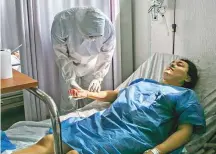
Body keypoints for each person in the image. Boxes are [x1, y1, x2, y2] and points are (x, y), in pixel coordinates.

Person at [13, 59, 206, 154]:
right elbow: (114, 95)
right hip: (104, 122)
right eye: (171, 62)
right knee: (49, 141)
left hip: (132, 133)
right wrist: (86, 93)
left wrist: (157, 151)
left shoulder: (185, 95)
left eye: (179, 64)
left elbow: (185, 130)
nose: (172, 64)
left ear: (187, 78)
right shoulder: (143, 82)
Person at [51, 7, 116, 113]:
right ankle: (66, 124)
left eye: (97, 37)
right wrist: (70, 79)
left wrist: (98, 77)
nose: (93, 40)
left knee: (91, 99)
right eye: (90, 36)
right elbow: (61, 55)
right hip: (69, 63)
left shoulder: (108, 28)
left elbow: (106, 54)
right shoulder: (61, 22)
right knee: (68, 99)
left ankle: (89, 122)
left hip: (91, 64)